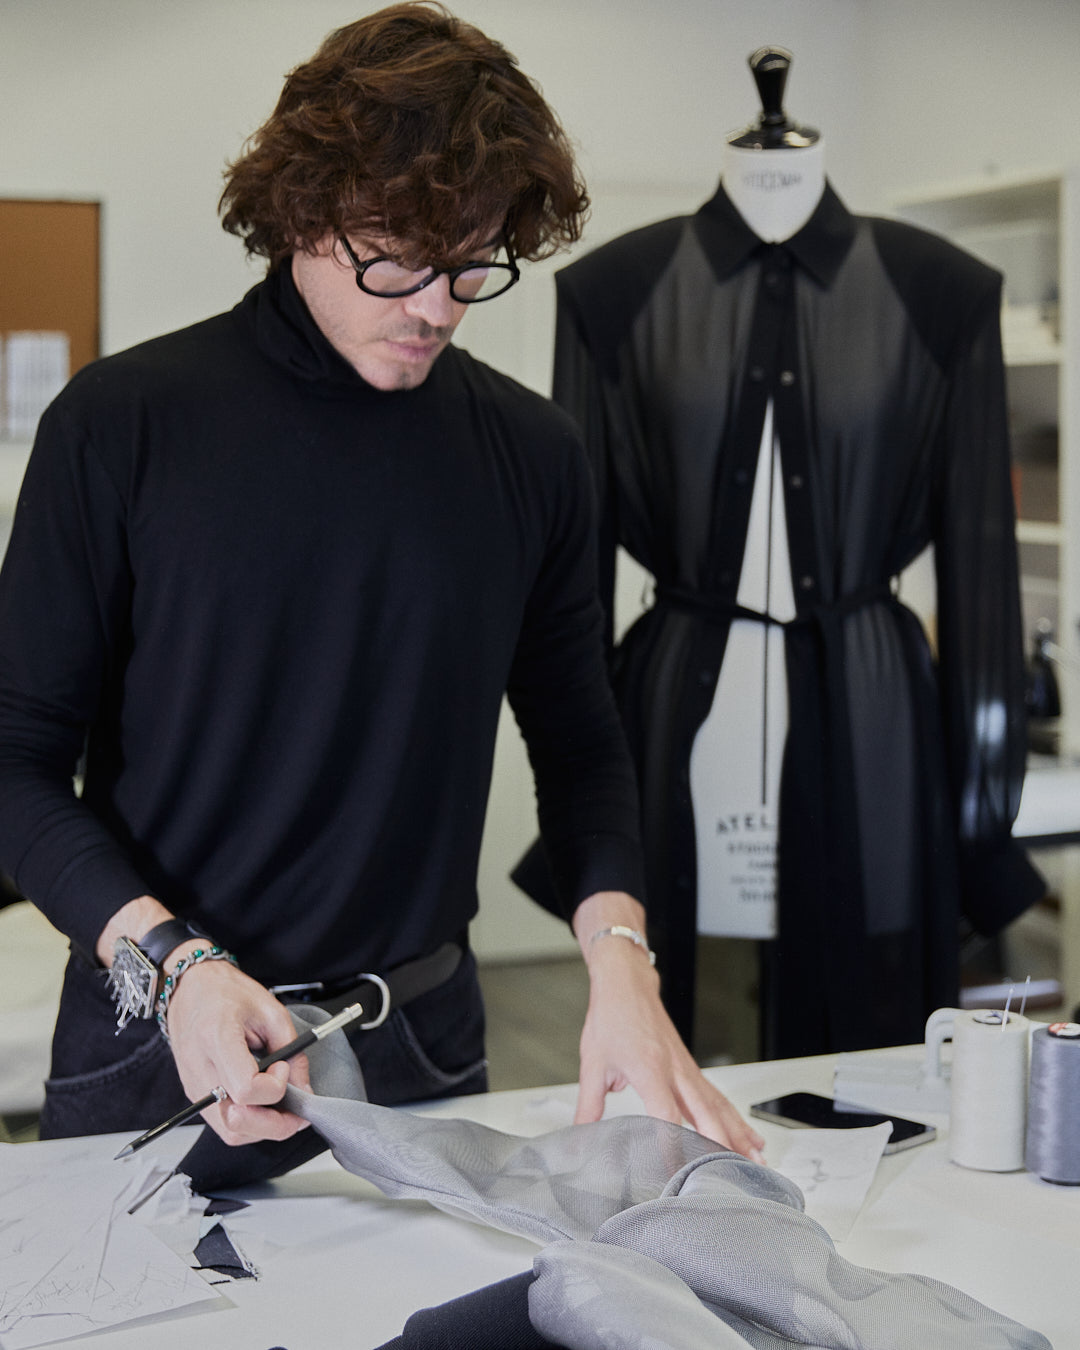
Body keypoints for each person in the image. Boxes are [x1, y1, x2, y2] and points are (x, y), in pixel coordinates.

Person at [0, 1, 762, 1181]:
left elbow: (582, 746)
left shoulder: (534, 456)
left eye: (474, 263)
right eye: (397, 257)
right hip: (161, 1037)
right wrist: (177, 966)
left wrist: (622, 961)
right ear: (298, 212)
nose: (436, 307)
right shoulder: (123, 426)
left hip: (418, 1046)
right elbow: (13, 764)